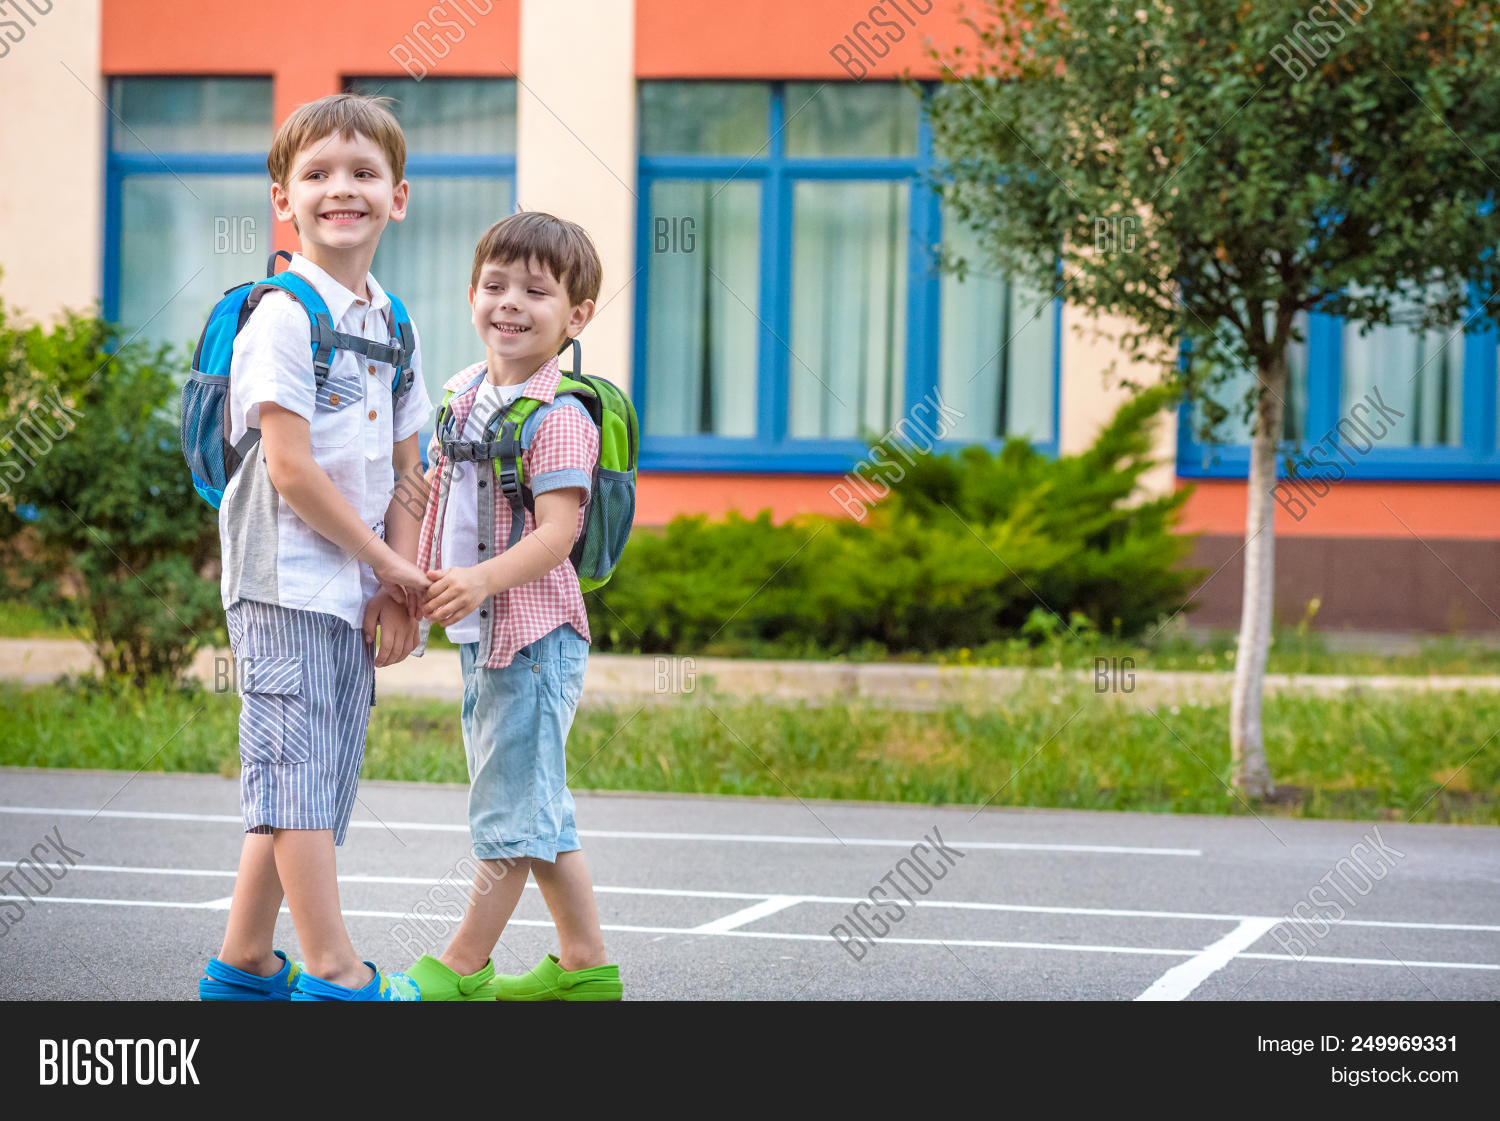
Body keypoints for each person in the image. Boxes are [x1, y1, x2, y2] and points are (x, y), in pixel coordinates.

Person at [197, 93, 433, 1002]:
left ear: (398, 196)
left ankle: (246, 962)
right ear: (283, 198)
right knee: (296, 772)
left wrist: (395, 583)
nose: (344, 189)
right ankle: (336, 972)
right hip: (284, 582)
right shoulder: (282, 318)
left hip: (354, 584)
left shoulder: (391, 322)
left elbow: (412, 466)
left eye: (365, 174)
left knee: (315, 776)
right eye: (320, 174)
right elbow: (290, 471)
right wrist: (394, 564)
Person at [400, 211, 622, 1001]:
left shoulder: (559, 415)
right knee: (538, 804)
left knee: (507, 808)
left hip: (532, 635)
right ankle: (584, 967)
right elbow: (432, 499)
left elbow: (559, 533)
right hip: (483, 631)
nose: (511, 303)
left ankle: (462, 967)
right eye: (496, 285)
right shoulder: (462, 394)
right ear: (470, 296)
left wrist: (484, 579)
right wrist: (407, 579)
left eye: (536, 290)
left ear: (577, 316)